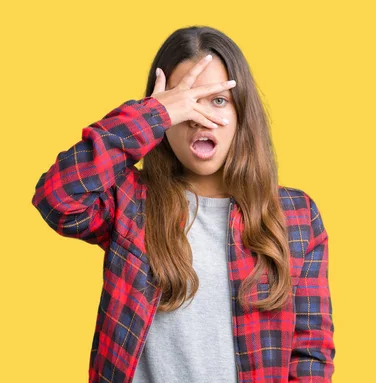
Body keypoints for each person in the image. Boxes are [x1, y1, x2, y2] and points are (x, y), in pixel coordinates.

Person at [31, 25, 335, 383]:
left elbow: (310, 352)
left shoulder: (296, 215)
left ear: (241, 113)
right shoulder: (129, 199)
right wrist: (150, 115)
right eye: (185, 101)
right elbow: (58, 197)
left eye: (218, 100)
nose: (199, 118)